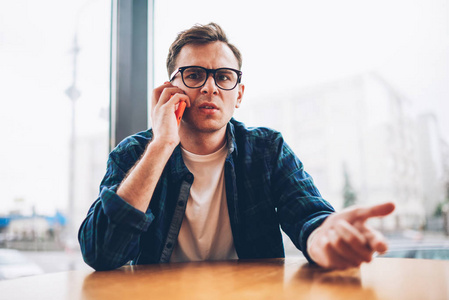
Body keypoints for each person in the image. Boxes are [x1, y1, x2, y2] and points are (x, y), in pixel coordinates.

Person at [78, 22, 395, 271]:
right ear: (169, 89)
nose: (210, 87)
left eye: (224, 77)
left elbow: (309, 216)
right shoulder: (135, 154)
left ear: (239, 95)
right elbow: (102, 254)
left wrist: (322, 239)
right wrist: (161, 145)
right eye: (193, 75)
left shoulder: (267, 150)